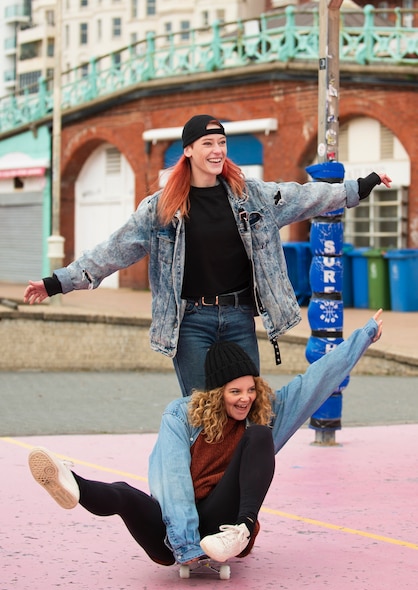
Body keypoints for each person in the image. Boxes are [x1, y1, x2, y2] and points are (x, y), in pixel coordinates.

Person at [23, 114, 392, 395]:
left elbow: (302, 197)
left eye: (221, 143)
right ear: (188, 151)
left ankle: (236, 492)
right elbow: (113, 250)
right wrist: (57, 283)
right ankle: (201, 493)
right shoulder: (162, 209)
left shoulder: (251, 196)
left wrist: (358, 187)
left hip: (238, 318)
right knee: (201, 413)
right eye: (207, 144)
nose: (217, 151)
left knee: (246, 409)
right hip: (192, 322)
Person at [28, 310, 383, 566]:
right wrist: (185, 546)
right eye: (234, 391)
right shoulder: (182, 415)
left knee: (260, 435)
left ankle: (242, 529)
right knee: (124, 493)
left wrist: (363, 336)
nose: (245, 398)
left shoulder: (265, 411)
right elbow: (172, 477)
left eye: (250, 389)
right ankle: (72, 483)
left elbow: (316, 381)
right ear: (217, 393)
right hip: (174, 533)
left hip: (224, 527)